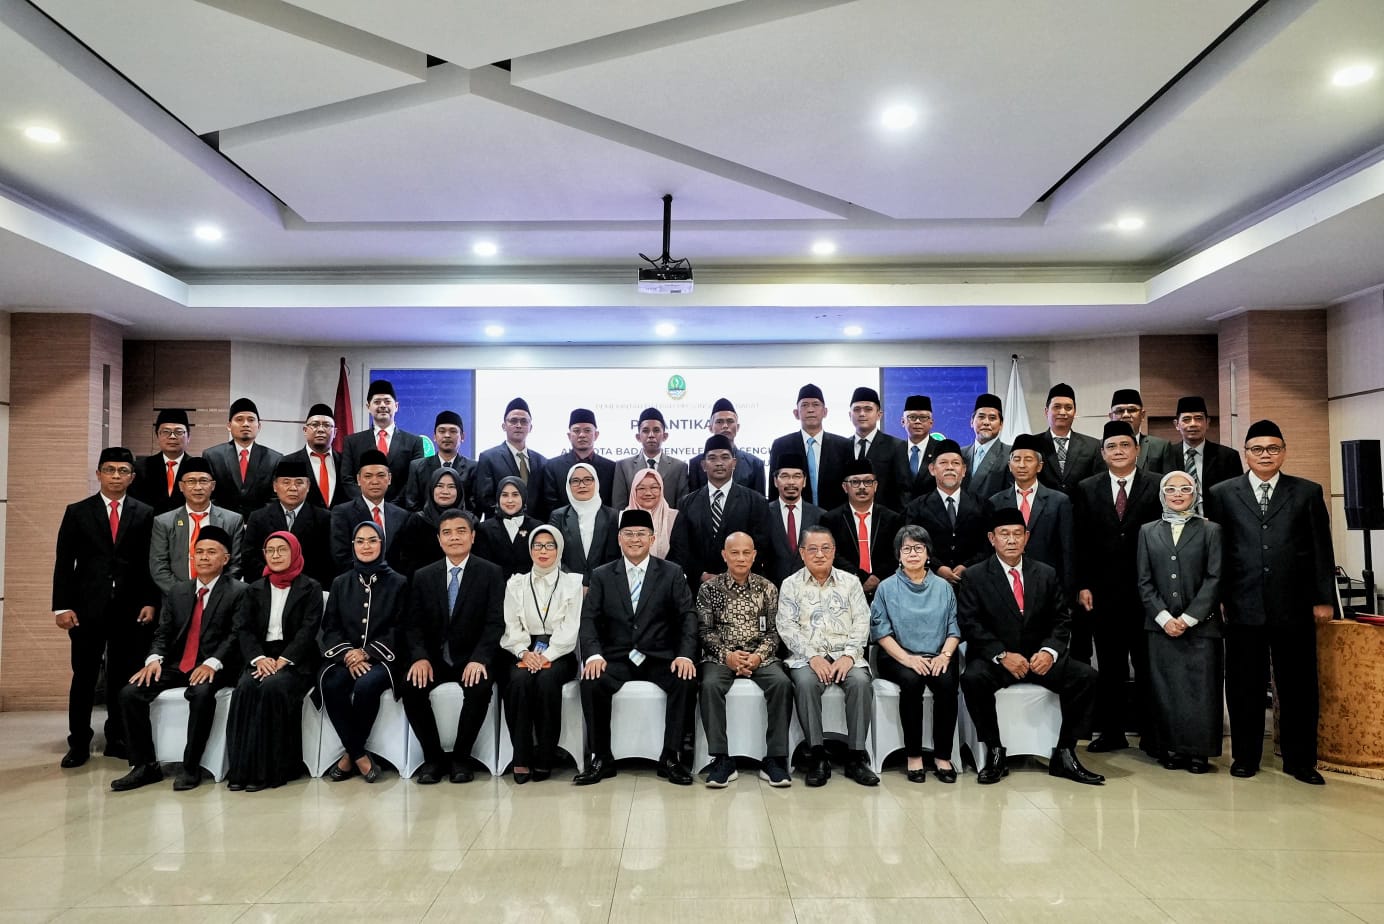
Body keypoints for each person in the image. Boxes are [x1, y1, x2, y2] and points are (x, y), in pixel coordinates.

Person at [1206, 419, 1335, 785]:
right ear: (1246, 453)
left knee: (1298, 684)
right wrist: (1218, 598)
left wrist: (1323, 598)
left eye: (1273, 448)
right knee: (1244, 683)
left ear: (1284, 452)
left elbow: (1321, 548)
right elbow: (1217, 551)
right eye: (1258, 449)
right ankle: (1245, 757)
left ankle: (1300, 760)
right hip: (1241, 603)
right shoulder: (1222, 493)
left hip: (1294, 604)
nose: (1266, 455)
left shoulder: (1307, 492)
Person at [956, 508, 1103, 786]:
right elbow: (970, 623)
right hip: (999, 660)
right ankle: (995, 751)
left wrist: (1049, 652)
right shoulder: (975, 576)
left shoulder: (1045, 573)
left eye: (1017, 534)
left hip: (1038, 658)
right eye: (1004, 534)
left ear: (1027, 537)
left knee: (1086, 677)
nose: (1011, 540)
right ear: (992, 538)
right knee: (972, 679)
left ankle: (1065, 752)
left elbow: (1061, 619)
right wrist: (1001, 655)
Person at [112, 526, 247, 792]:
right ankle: (144, 765)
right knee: (130, 693)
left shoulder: (239, 591)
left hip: (215, 665)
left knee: (201, 693)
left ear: (226, 559)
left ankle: (191, 766)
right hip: (178, 664)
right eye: (199, 552)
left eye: (211, 552)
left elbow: (236, 635)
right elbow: (163, 632)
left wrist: (212, 662)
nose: (204, 557)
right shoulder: (178, 591)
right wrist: (154, 659)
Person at [573, 509, 698, 786]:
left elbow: (688, 617)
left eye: (641, 534)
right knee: (592, 680)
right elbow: (589, 619)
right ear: (619, 539)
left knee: (685, 679)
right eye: (628, 534)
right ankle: (601, 758)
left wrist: (684, 655)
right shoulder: (602, 575)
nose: (634, 539)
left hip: (659, 657)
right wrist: (593, 655)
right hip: (617, 658)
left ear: (652, 539)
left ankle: (671, 757)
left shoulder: (672, 572)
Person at [52, 447, 158, 767]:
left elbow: (149, 563)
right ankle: (79, 743)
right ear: (98, 474)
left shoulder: (145, 513)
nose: (116, 476)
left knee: (121, 676)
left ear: (132, 477)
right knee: (84, 676)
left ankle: (117, 738)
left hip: (130, 608)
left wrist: (150, 601)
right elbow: (64, 562)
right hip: (86, 608)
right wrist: (61, 607)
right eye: (109, 470)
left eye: (123, 471)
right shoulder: (77, 512)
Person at [1073, 420, 1163, 754]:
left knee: (1147, 665)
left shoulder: (1157, 485)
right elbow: (1079, 540)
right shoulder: (1087, 488)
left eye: (1125, 445)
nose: (1119, 451)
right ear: (1102, 453)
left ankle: (1153, 735)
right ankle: (1112, 732)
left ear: (1137, 449)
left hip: (1147, 592)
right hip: (1103, 592)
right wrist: (1082, 584)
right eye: (1111, 446)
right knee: (1110, 666)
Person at [402, 510, 506, 784]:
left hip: (471, 657)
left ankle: (461, 757)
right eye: (447, 533)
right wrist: (420, 657)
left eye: (461, 531)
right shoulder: (423, 576)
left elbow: (495, 623)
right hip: (435, 658)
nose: (454, 537)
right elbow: (413, 624)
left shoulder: (491, 573)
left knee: (479, 686)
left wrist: (480, 658)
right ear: (439, 539)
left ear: (472, 536)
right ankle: (433, 757)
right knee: (411, 686)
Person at [777, 525, 877, 787]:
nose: (819, 554)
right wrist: (812, 656)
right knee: (806, 683)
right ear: (802, 553)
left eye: (825, 548)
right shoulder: (790, 584)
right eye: (812, 549)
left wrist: (849, 655)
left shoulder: (850, 582)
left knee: (860, 682)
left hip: (846, 654)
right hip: (806, 657)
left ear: (834, 551)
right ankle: (816, 755)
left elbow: (862, 621)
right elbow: (786, 627)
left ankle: (856, 757)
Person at [1137, 471, 1223, 774]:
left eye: (1185, 489)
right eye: (1171, 489)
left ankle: (1199, 752)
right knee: (1166, 690)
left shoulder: (1211, 530)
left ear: (1194, 494)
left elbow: (1214, 578)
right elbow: (1144, 580)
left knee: (1202, 691)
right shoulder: (1148, 531)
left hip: (1201, 626)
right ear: (1162, 495)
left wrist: (1187, 618)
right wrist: (1163, 617)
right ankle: (1171, 748)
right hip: (1160, 627)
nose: (1177, 494)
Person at [226, 531, 322, 791]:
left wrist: (284, 659)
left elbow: (309, 629)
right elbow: (244, 629)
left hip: (296, 659)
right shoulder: (254, 589)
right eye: (270, 551)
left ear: (295, 552)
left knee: (273, 687)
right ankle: (242, 770)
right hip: (261, 656)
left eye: (282, 550)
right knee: (245, 687)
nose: (276, 555)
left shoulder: (310, 587)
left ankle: (272, 770)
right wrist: (259, 659)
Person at [697, 532, 793, 788]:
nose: (740, 558)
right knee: (709, 686)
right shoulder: (709, 589)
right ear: (724, 555)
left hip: (760, 656)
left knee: (782, 684)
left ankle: (775, 759)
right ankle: (721, 759)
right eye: (735, 552)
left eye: (746, 553)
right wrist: (726, 656)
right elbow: (705, 631)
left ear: (754, 555)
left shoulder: (768, 588)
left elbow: (775, 631)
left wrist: (758, 655)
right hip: (721, 657)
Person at [319, 520, 408, 783]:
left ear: (382, 544)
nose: (366, 546)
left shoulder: (399, 582)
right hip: (345, 657)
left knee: (366, 685)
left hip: (383, 658)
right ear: (353, 546)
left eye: (372, 540)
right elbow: (330, 627)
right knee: (332, 683)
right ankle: (359, 755)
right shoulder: (341, 582)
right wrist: (349, 654)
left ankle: (349, 756)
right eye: (360, 541)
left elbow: (401, 628)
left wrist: (368, 652)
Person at [870, 524, 961, 783]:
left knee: (947, 683)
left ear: (928, 553)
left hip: (938, 654)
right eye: (906, 549)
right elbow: (881, 632)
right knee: (912, 682)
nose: (912, 554)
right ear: (898, 555)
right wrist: (908, 659)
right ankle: (914, 756)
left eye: (918, 548)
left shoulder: (943, 587)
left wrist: (944, 656)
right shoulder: (886, 587)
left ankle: (942, 756)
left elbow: (954, 628)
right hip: (897, 655)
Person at [499, 524, 582, 782]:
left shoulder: (572, 583)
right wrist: (524, 653)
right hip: (524, 649)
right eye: (537, 545)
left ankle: (546, 756)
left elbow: (570, 629)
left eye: (549, 546)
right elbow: (511, 625)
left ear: (559, 549)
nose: (543, 551)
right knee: (518, 681)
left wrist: (547, 656)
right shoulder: (516, 583)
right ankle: (521, 757)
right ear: (530, 549)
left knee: (546, 681)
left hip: (560, 652)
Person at [669, 435, 772, 586]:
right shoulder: (687, 503)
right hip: (699, 588)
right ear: (703, 465)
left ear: (734, 463)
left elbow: (761, 545)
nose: (719, 463)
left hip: (743, 587)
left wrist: (735, 574)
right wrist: (701, 574)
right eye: (712, 458)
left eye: (725, 457)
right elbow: (681, 547)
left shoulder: (756, 501)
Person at [988, 434, 1075, 604]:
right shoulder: (996, 502)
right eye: (1017, 459)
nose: (1022, 465)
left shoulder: (1059, 501)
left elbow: (1067, 550)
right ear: (1009, 465)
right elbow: (990, 548)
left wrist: (1068, 594)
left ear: (1039, 466)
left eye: (1028, 459)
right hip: (1005, 584)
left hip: (1048, 583)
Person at [149, 457, 244, 595]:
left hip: (220, 597)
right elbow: (159, 566)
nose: (198, 487)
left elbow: (236, 565)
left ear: (213, 485)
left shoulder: (232, 520)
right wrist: (183, 594)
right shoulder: (164, 522)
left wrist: (214, 593)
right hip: (176, 597)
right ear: (181, 486)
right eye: (191, 481)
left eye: (203, 481)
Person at [904, 440, 992, 587]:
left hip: (974, 583)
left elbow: (989, 545)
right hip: (928, 582)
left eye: (955, 463)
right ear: (932, 469)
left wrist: (968, 566)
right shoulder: (916, 507)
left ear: (964, 470)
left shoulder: (983, 506)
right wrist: (937, 567)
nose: (950, 467)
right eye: (943, 463)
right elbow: (911, 543)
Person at [241, 456, 335, 589]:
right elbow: (248, 556)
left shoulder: (324, 518)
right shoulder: (258, 517)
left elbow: (327, 560)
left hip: (308, 588)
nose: (293, 488)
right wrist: (273, 577)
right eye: (286, 482)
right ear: (275, 486)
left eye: (299, 483)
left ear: (308, 486)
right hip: (267, 585)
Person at [824, 458, 904, 601]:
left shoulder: (892, 519)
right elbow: (832, 553)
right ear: (845, 487)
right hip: (844, 590)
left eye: (868, 482)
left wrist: (877, 577)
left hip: (886, 588)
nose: (862, 487)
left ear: (875, 486)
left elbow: (897, 552)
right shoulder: (830, 520)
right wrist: (859, 577)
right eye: (855, 482)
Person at [339, 379, 424, 502]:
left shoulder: (414, 442)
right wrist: (369, 504)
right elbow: (347, 479)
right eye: (377, 402)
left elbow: (413, 480)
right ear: (368, 407)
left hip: (401, 510)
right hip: (362, 509)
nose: (383, 405)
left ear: (396, 406)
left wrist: (391, 507)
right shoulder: (352, 442)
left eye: (387, 401)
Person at [769, 384, 851, 509]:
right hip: (795, 515)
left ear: (825, 412)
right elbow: (773, 489)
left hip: (835, 516)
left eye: (816, 404)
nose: (810, 410)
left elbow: (850, 488)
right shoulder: (781, 445)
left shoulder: (843, 446)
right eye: (805, 405)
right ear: (796, 413)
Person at [329, 449, 409, 572]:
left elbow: (405, 557)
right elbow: (341, 556)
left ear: (389, 479)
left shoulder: (401, 515)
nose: (375, 481)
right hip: (357, 580)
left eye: (381, 475)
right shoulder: (342, 513)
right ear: (358, 480)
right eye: (368, 476)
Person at [1160, 395, 1242, 512]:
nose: (1193, 424)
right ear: (1176, 424)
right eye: (1186, 419)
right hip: (1176, 519)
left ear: (1207, 422)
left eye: (1198, 418)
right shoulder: (1165, 455)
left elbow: (1236, 497)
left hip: (1216, 521)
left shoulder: (1228, 456)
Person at [203, 397, 283, 517]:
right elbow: (209, 494)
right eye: (239, 419)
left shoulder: (274, 458)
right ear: (229, 426)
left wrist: (256, 520)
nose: (245, 424)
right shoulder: (212, 456)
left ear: (259, 426)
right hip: (222, 522)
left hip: (260, 523)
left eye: (251, 420)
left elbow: (276, 497)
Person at [476, 398, 548, 519]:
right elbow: (485, 499)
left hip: (535, 527)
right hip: (500, 526)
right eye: (513, 421)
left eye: (524, 421)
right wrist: (511, 520)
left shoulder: (542, 461)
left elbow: (545, 500)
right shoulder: (488, 458)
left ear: (530, 427)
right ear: (504, 426)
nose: (518, 425)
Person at [548, 461, 620, 580]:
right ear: (568, 485)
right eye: (575, 481)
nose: (582, 485)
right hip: (566, 583)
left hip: (603, 584)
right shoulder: (558, 516)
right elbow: (553, 553)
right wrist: (575, 582)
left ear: (596, 482)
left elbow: (614, 557)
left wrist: (595, 583)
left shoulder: (613, 516)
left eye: (587, 480)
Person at [1033, 384, 1105, 498]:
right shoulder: (1032, 444)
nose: (1062, 412)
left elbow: (1100, 483)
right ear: (1046, 411)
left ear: (1074, 412)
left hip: (1081, 508)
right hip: (1043, 507)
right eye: (1057, 407)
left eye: (1068, 408)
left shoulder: (1093, 445)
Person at [540, 408, 617, 513]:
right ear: (569, 436)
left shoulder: (611, 467)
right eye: (576, 431)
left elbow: (612, 503)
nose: (582, 435)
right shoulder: (553, 466)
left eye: (587, 430)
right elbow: (550, 504)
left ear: (596, 435)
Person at [612, 407, 690, 509]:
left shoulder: (679, 467)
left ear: (665, 436)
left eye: (656, 430)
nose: (651, 435)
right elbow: (618, 507)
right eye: (645, 431)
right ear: (638, 437)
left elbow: (683, 507)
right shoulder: (623, 466)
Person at [687, 398, 768, 496]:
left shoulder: (755, 464)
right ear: (710, 428)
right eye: (719, 422)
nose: (725, 426)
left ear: (737, 427)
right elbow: (692, 501)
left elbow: (760, 503)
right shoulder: (696, 463)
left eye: (730, 421)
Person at [402, 410, 478, 514]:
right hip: (425, 523)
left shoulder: (473, 468)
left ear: (462, 437)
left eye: (453, 431)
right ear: (434, 436)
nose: (447, 435)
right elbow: (412, 504)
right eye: (442, 431)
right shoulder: (417, 467)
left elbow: (475, 506)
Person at [846, 386, 908, 511]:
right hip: (849, 517)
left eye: (868, 409)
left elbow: (904, 490)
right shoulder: (842, 446)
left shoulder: (896, 446)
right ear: (850, 415)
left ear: (879, 414)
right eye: (857, 409)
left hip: (885, 517)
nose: (862, 414)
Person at [765, 454, 823, 586]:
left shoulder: (819, 516)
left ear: (804, 481)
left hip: (811, 589)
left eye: (797, 476)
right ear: (775, 481)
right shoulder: (763, 513)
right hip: (772, 589)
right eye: (785, 476)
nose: (791, 482)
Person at [395, 467, 465, 576]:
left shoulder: (470, 522)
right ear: (431, 489)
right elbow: (406, 561)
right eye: (439, 486)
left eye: (451, 486)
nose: (445, 491)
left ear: (459, 491)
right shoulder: (417, 521)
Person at [281, 403, 353, 508]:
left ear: (335, 432)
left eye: (327, 425)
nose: (320, 430)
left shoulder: (345, 462)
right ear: (305, 430)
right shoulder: (289, 462)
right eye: (315, 425)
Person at [474, 476, 545, 579]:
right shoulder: (484, 529)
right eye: (505, 495)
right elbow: (483, 567)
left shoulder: (537, 527)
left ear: (523, 497)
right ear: (498, 498)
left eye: (515, 495)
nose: (510, 500)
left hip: (530, 586)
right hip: (496, 586)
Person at [130, 408, 195, 514]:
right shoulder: (140, 468)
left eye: (179, 432)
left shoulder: (197, 468)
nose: (172, 436)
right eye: (166, 432)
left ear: (188, 437)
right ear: (157, 436)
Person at [961, 393, 1010, 500]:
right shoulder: (959, 454)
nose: (986, 422)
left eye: (992, 418)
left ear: (1001, 424)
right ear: (971, 421)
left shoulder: (1010, 454)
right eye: (981, 417)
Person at [1109, 388, 1169, 475]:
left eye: (1132, 410)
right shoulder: (1099, 447)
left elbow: (1170, 481)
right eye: (1120, 411)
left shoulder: (1160, 446)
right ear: (1111, 416)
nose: (1126, 415)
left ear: (1142, 415)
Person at [897, 395, 941, 507]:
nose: (917, 422)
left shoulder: (941, 450)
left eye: (923, 418)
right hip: (899, 515)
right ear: (903, 421)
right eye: (912, 417)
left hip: (932, 513)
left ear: (931, 422)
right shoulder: (894, 450)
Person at [625, 467, 678, 559]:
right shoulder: (621, 517)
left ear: (661, 490)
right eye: (641, 488)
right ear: (634, 491)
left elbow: (680, 555)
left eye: (654, 487)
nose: (648, 493)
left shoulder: (675, 517)